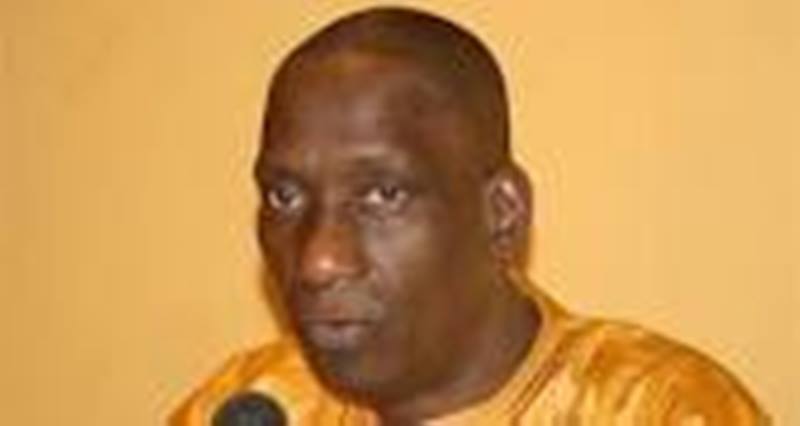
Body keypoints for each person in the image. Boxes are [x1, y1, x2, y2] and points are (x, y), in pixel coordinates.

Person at [171, 7, 768, 425]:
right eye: (285, 196)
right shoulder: (253, 405)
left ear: (501, 215)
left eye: (383, 194)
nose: (318, 260)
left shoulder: (661, 409)